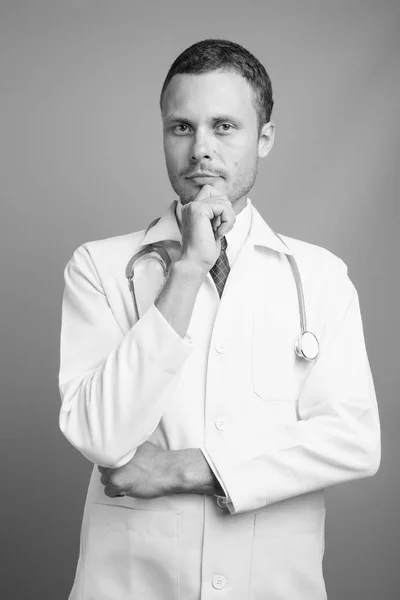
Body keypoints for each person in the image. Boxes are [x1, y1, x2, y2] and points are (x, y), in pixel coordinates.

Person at [58, 39, 381, 600]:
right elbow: (100, 436)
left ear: (265, 138)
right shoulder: (100, 267)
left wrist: (189, 469)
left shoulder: (322, 277)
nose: (200, 150)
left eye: (224, 126)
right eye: (181, 127)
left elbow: (354, 441)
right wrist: (188, 270)